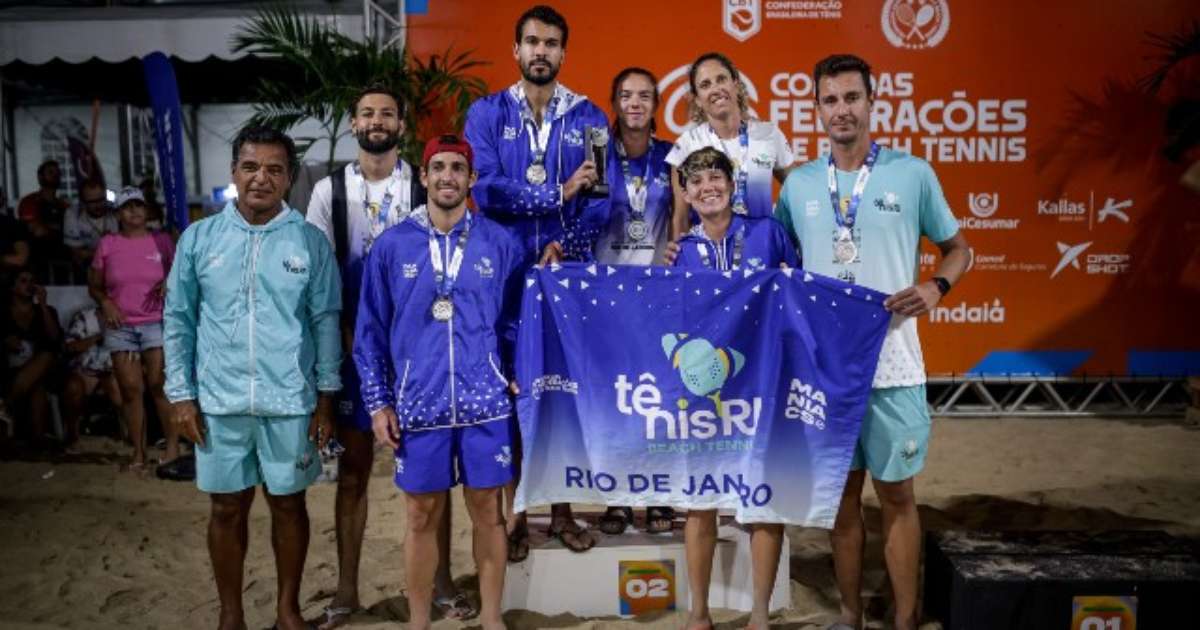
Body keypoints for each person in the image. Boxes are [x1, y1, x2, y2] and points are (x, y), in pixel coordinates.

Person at [774, 54, 971, 630]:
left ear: (872, 101)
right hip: (826, 375)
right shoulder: (802, 184)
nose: (842, 110)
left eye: (852, 97)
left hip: (894, 369)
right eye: (830, 100)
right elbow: (779, 262)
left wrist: (936, 285)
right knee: (840, 502)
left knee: (898, 500)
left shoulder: (913, 174)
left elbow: (960, 247)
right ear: (816, 110)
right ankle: (849, 615)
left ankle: (906, 619)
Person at [163, 126, 341, 630]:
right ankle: (231, 614)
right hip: (218, 401)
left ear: (288, 178)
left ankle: (288, 611)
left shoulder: (308, 242)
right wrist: (181, 396)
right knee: (226, 508)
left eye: (274, 169)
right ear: (234, 172)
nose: (261, 178)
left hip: (290, 400)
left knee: (289, 505)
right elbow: (179, 319)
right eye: (250, 167)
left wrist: (325, 399)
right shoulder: (200, 238)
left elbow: (325, 320)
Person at [305, 85, 470, 628]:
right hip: (357, 346)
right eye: (367, 113)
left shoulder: (422, 185)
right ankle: (347, 590)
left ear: (402, 125)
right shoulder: (329, 191)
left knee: (434, 473)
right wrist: (344, 343)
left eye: (388, 113)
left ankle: (442, 583)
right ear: (353, 123)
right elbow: (319, 277)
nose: (377, 121)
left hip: (423, 352)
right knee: (353, 472)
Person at [354, 135, 520, 630]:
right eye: (438, 167)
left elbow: (515, 322)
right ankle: (419, 622)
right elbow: (369, 332)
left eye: (458, 168)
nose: (448, 176)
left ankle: (492, 619)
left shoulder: (500, 243)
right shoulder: (391, 246)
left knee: (488, 513)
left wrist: (514, 375)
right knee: (421, 517)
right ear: (423, 177)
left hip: (485, 405)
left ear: (471, 179)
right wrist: (379, 403)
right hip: (419, 405)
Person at [463, 3, 607, 559]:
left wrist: (564, 248)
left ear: (563, 53)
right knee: (514, 397)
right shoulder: (486, 114)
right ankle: (518, 515)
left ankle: (564, 511)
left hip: (565, 280)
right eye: (532, 42)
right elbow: (488, 189)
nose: (541, 51)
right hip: (502, 280)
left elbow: (599, 200)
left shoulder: (589, 115)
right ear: (515, 50)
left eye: (551, 43)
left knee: (561, 398)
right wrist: (556, 193)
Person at [668, 147, 795, 630]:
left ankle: (759, 614)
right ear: (685, 192)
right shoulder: (680, 252)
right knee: (701, 502)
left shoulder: (768, 233)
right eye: (695, 182)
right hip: (707, 400)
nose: (707, 188)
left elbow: (798, 295)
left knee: (764, 500)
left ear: (732, 181)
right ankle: (699, 614)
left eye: (715, 177)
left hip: (763, 387)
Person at [595, 67, 678, 535]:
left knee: (658, 398)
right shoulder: (595, 154)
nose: (635, 103)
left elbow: (682, 221)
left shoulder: (672, 157)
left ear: (656, 104)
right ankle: (619, 498)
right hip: (606, 298)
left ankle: (659, 495)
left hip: (657, 297)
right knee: (616, 400)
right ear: (614, 100)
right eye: (626, 95)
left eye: (645, 96)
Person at [89, 187, 178, 474]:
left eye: (139, 205)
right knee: (129, 390)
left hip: (157, 322)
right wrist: (105, 302)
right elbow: (94, 284)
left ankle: (172, 448)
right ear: (119, 213)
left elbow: (182, 271)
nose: (135, 211)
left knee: (159, 385)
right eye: (128, 207)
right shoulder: (108, 244)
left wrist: (170, 282)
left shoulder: (162, 240)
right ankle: (138, 453)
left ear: (147, 210)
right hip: (121, 325)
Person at [666, 52, 794, 238]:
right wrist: (679, 259)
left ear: (735, 84)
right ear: (697, 99)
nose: (716, 89)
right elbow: (680, 217)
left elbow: (798, 191)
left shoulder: (768, 134)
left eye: (721, 79)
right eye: (705, 85)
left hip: (762, 250)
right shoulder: (686, 145)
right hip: (709, 256)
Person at [1, 268, 61, 446]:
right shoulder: (3, 312)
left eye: (32, 281)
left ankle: (6, 406)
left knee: (47, 356)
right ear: (12, 287)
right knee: (37, 386)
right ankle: (36, 440)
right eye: (23, 281)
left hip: (43, 367)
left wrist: (42, 304)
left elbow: (55, 339)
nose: (29, 285)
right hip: (10, 370)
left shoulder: (47, 310)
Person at [61, 304, 121, 448]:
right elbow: (69, 347)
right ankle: (72, 436)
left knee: (121, 385)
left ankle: (127, 436)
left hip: (114, 371)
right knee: (73, 387)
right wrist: (97, 338)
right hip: (84, 371)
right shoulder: (84, 317)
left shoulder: (126, 317)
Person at [16, 160, 70, 280]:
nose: (55, 175)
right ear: (40, 177)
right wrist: (59, 232)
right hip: (37, 262)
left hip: (64, 259)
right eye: (50, 172)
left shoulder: (65, 206)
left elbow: (71, 232)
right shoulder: (29, 201)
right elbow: (37, 231)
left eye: (58, 173)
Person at [64, 178, 119, 276]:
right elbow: (77, 254)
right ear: (83, 202)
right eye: (92, 202)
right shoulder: (73, 214)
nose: (98, 205)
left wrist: (90, 253)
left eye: (101, 200)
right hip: (84, 271)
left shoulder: (116, 213)